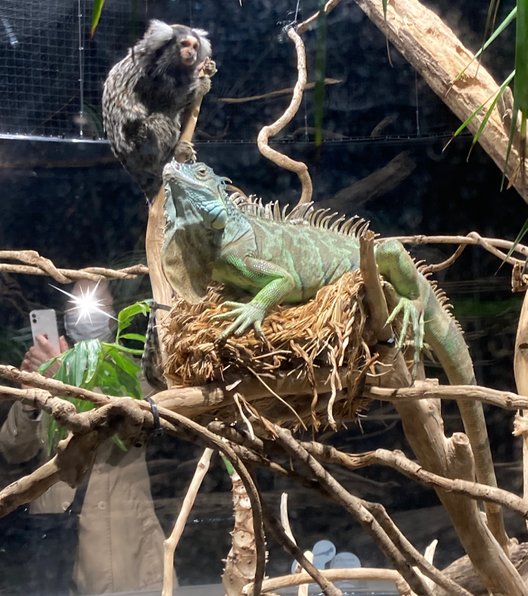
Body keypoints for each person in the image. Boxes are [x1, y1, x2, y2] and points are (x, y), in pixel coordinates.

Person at [0, 280, 168, 594]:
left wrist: (62, 376)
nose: (86, 318)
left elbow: (121, 415)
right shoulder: (46, 370)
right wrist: (30, 396)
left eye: (96, 306)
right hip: (50, 537)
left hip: (121, 538)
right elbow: (12, 449)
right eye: (76, 310)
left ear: (113, 312)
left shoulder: (135, 375)